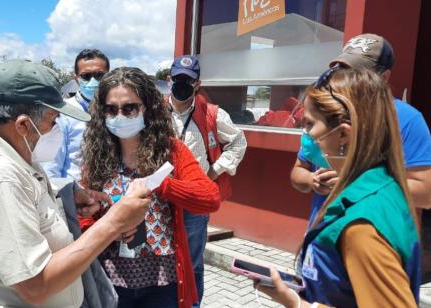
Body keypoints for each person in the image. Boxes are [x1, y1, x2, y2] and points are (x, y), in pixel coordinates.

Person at [0, 59, 151, 307]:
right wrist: (114, 224)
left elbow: (26, 205)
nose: (56, 127)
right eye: (52, 119)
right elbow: (35, 286)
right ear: (24, 125)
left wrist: (68, 196)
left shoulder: (7, 150)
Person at [259, 68, 420, 307]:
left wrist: (297, 304)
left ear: (343, 134)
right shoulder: (374, 188)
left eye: (310, 124)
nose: (306, 134)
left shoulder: (362, 225)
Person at [80, 67, 221, 308]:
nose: (120, 116)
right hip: (111, 277)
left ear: (146, 107)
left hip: (161, 279)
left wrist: (160, 184)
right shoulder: (97, 157)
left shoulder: (171, 151)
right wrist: (107, 225)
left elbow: (210, 198)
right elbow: (85, 219)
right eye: (111, 109)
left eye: (129, 108)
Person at [291, 33, 431, 230]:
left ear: (384, 77)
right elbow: (299, 170)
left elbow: (426, 194)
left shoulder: (407, 119)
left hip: (375, 235)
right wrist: (312, 180)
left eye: (356, 75)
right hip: (323, 233)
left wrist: (360, 184)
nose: (344, 80)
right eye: (341, 71)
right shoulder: (325, 113)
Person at [168, 54, 247, 306]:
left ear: (197, 84)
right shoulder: (153, 112)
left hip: (194, 200)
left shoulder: (212, 113)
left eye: (188, 80)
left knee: (192, 262)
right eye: (178, 78)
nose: (182, 84)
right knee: (164, 259)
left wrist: (213, 171)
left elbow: (238, 142)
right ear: (169, 79)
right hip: (162, 196)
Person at [43, 49, 110, 184]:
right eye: (86, 76)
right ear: (76, 79)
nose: (93, 81)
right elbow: (50, 167)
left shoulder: (116, 110)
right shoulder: (62, 114)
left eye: (99, 75)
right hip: (76, 197)